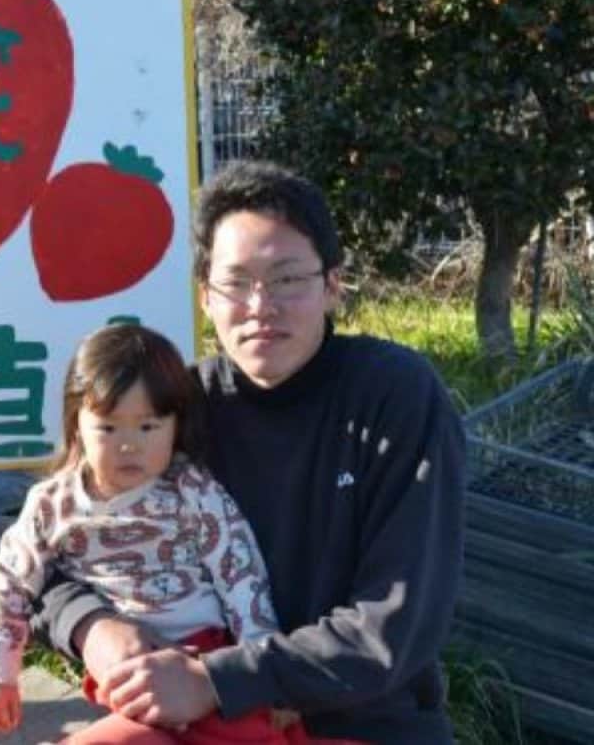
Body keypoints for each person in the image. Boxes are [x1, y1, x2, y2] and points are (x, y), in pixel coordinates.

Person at [33, 161, 467, 745]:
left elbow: (396, 624)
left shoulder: (395, 396)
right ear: (205, 296)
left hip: (358, 719)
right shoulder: (173, 409)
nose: (262, 305)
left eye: (287, 279)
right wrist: (91, 626)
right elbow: (42, 548)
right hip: (197, 715)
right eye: (236, 282)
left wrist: (219, 681)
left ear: (333, 285)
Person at [0, 324, 346, 745]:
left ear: (175, 425)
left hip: (205, 657)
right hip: (124, 671)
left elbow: (242, 578)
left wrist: (262, 676)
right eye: (108, 427)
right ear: (76, 423)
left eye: (148, 426)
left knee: (246, 731)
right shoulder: (52, 505)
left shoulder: (193, 492)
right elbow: (10, 585)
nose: (128, 445)